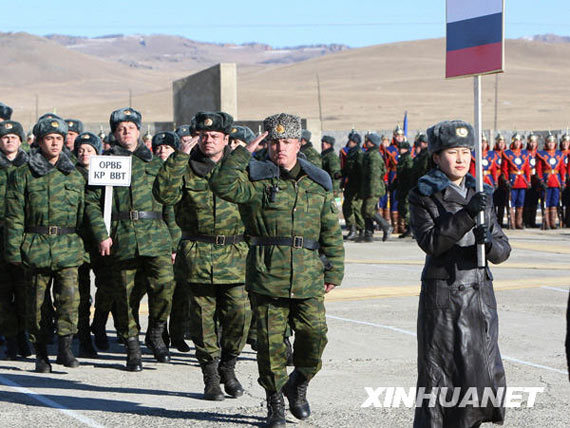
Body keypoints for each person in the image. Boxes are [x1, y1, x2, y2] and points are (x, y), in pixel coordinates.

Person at [209, 113, 344, 428]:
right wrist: (243, 152)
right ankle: (274, 406)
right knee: (270, 346)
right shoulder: (257, 182)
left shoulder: (317, 182)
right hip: (267, 277)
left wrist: (334, 270)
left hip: (308, 277)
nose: (279, 148)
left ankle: (298, 383)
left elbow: (331, 232)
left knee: (314, 338)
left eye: (286, 142)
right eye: (274, 142)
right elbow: (221, 184)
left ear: (299, 144)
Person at [409, 119, 511, 428]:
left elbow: (504, 250)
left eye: (466, 151)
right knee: (442, 379)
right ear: (437, 157)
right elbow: (432, 242)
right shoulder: (423, 195)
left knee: (479, 378)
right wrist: (467, 215)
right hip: (445, 300)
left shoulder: (481, 192)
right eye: (453, 152)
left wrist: (488, 243)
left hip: (479, 299)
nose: (461, 159)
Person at [154, 111, 251, 401]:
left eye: (215, 136)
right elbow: (163, 195)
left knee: (239, 315)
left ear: (226, 140)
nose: (208, 141)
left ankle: (229, 366)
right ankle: (210, 377)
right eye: (203, 135)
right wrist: (178, 158)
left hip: (234, 253)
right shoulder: (183, 167)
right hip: (197, 253)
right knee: (202, 319)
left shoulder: (241, 168)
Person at [85, 107, 176, 371]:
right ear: (114, 133)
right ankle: (132, 345)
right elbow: (92, 203)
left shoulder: (156, 164)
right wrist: (102, 234)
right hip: (122, 236)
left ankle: (157, 332)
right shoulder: (105, 162)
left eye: (131, 127)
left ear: (139, 131)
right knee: (124, 296)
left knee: (165, 287)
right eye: (121, 128)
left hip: (156, 236)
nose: (126, 132)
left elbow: (169, 203)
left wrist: (173, 241)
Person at [5, 117, 86, 373]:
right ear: (39, 142)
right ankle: (41, 353)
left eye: (59, 139)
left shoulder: (73, 175)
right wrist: (13, 250)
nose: (54, 143)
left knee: (69, 300)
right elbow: (14, 215)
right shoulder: (22, 175)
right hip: (35, 247)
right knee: (36, 305)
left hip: (68, 246)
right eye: (49, 139)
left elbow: (84, 213)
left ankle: (65, 347)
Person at [0, 120, 31, 360]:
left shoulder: (31, 167)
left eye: (13, 137)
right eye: (4, 137)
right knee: (3, 292)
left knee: (25, 292)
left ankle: (24, 336)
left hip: (25, 236)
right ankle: (10, 339)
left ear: (21, 141)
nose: (9, 141)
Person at [73, 132, 105, 358]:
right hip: (78, 240)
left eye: (89, 150)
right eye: (81, 150)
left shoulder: (108, 172)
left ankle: (100, 326)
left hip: (103, 240)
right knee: (82, 292)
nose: (85, 154)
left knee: (107, 288)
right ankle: (84, 338)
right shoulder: (70, 175)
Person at [360, 133, 392, 242]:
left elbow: (374, 175)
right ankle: (368, 234)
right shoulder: (369, 154)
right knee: (366, 210)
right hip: (368, 187)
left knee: (368, 210)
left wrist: (371, 191)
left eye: (368, 141)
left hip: (373, 188)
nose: (366, 142)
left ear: (372, 143)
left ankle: (386, 226)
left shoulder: (374, 156)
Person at [536, 133, 566, 229]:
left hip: (556, 181)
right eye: (549, 142)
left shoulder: (559, 155)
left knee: (554, 201)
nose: (551, 144)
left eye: (552, 143)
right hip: (546, 181)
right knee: (546, 202)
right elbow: (539, 169)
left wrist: (562, 182)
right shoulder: (542, 155)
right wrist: (541, 180)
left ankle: (553, 222)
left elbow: (562, 170)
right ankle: (546, 222)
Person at [501, 132, 530, 229]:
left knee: (520, 203)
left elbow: (527, 169)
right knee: (511, 203)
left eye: (519, 141)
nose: (517, 143)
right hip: (513, 181)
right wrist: (506, 180)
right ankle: (512, 222)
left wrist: (528, 180)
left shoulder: (524, 154)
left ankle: (519, 222)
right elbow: (504, 169)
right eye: (515, 141)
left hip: (522, 181)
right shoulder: (507, 154)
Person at [341, 131, 365, 240]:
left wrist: (361, 187)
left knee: (356, 208)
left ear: (355, 142)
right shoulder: (351, 153)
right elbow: (347, 169)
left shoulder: (359, 153)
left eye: (350, 140)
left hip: (357, 185)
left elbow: (361, 171)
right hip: (350, 184)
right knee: (347, 207)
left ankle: (361, 230)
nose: (348, 142)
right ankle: (352, 228)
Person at [395, 140, 414, 238]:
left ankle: (411, 229)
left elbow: (409, 174)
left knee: (406, 209)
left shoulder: (408, 160)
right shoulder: (401, 159)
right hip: (401, 187)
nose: (399, 150)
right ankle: (408, 228)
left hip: (406, 187)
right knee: (402, 208)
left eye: (401, 148)